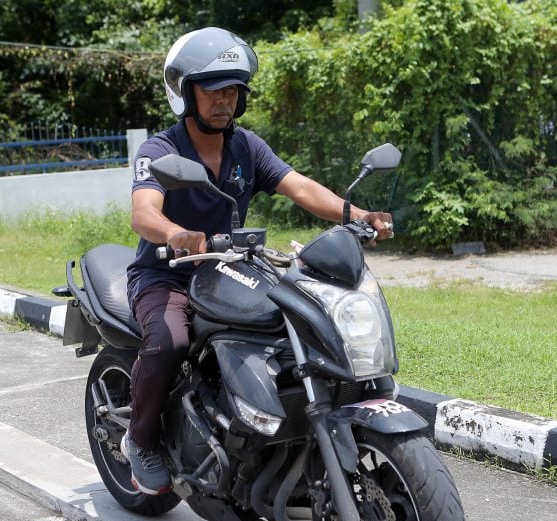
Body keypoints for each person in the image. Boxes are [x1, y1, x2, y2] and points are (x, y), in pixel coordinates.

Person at [123, 27, 394, 495]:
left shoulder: (246, 146)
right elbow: (144, 212)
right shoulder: (161, 150)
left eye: (232, 90)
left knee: (291, 324)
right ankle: (140, 439)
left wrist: (357, 214)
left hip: (227, 268)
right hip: (165, 273)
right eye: (212, 91)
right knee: (171, 341)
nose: (224, 100)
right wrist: (176, 234)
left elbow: (301, 188)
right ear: (186, 94)